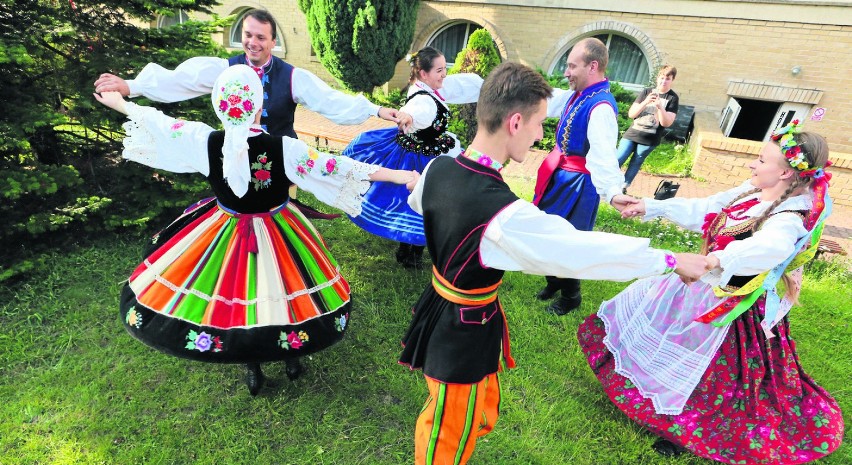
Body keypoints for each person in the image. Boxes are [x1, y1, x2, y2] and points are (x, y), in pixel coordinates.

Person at [398, 61, 711, 465]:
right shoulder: (501, 212)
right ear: (515, 122)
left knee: (461, 409)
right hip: (462, 326)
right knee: (449, 427)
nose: (541, 133)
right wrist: (668, 258)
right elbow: (580, 250)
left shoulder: (440, 167)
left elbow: (418, 201)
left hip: (441, 303)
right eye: (539, 123)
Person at [94, 65, 418, 396]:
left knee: (242, 294)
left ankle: (255, 363)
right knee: (281, 288)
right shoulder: (284, 148)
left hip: (224, 227)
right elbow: (335, 167)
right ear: (260, 107)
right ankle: (287, 354)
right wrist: (399, 176)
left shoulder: (205, 141)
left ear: (219, 105)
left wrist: (120, 103)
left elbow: (158, 124)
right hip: (277, 230)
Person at [578, 121, 844, 463]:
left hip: (730, 302)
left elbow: (769, 249)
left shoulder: (789, 217)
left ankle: (685, 428)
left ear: (784, 174)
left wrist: (715, 259)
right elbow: (706, 209)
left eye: (762, 160)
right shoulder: (751, 191)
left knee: (713, 374)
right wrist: (650, 206)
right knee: (670, 337)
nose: (753, 164)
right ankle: (657, 401)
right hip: (699, 284)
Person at [343, 47, 483, 269]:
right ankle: (410, 250)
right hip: (420, 157)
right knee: (419, 199)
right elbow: (414, 111)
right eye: (439, 70)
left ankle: (411, 250)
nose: (444, 74)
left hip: (428, 148)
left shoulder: (429, 88)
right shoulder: (422, 100)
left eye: (444, 68)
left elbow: (457, 86)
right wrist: (407, 116)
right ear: (424, 73)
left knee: (422, 199)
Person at [533, 37, 629, 315]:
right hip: (560, 175)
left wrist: (612, 192)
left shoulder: (600, 107)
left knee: (569, 241)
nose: (566, 72)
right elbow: (547, 100)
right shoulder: (579, 94)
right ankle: (554, 281)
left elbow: (603, 155)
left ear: (593, 66)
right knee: (547, 232)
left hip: (579, 184)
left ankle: (571, 296)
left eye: (572, 66)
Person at [617, 65, 679, 192]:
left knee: (636, 162)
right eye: (662, 78)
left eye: (668, 78)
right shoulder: (646, 92)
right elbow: (631, 114)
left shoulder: (673, 98)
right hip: (632, 134)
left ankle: (623, 187)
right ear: (657, 78)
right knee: (618, 158)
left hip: (650, 139)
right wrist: (645, 102)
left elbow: (666, 123)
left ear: (672, 80)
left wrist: (660, 107)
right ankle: (605, 182)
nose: (664, 81)